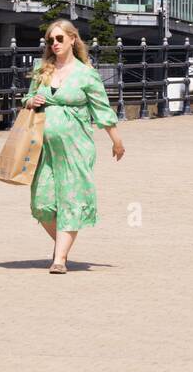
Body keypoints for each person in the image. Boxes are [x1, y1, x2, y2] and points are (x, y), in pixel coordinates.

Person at [23, 19, 124, 274]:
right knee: (41, 204)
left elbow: (102, 109)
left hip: (75, 147)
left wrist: (116, 141)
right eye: (50, 40)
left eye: (59, 39)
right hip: (43, 148)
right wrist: (30, 100)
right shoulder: (42, 70)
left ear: (72, 40)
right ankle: (62, 245)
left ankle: (60, 258)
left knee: (71, 199)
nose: (54, 44)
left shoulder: (86, 74)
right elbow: (26, 98)